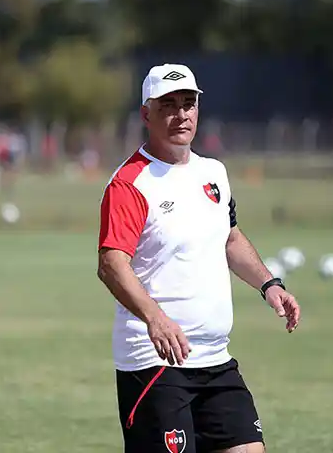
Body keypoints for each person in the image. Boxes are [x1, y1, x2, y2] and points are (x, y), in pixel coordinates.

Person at [97, 63, 301, 453]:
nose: (181, 114)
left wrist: (269, 284)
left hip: (215, 358)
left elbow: (230, 238)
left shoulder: (213, 172)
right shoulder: (130, 183)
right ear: (146, 114)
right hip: (156, 363)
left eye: (188, 104)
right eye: (168, 105)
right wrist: (155, 319)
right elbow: (111, 264)